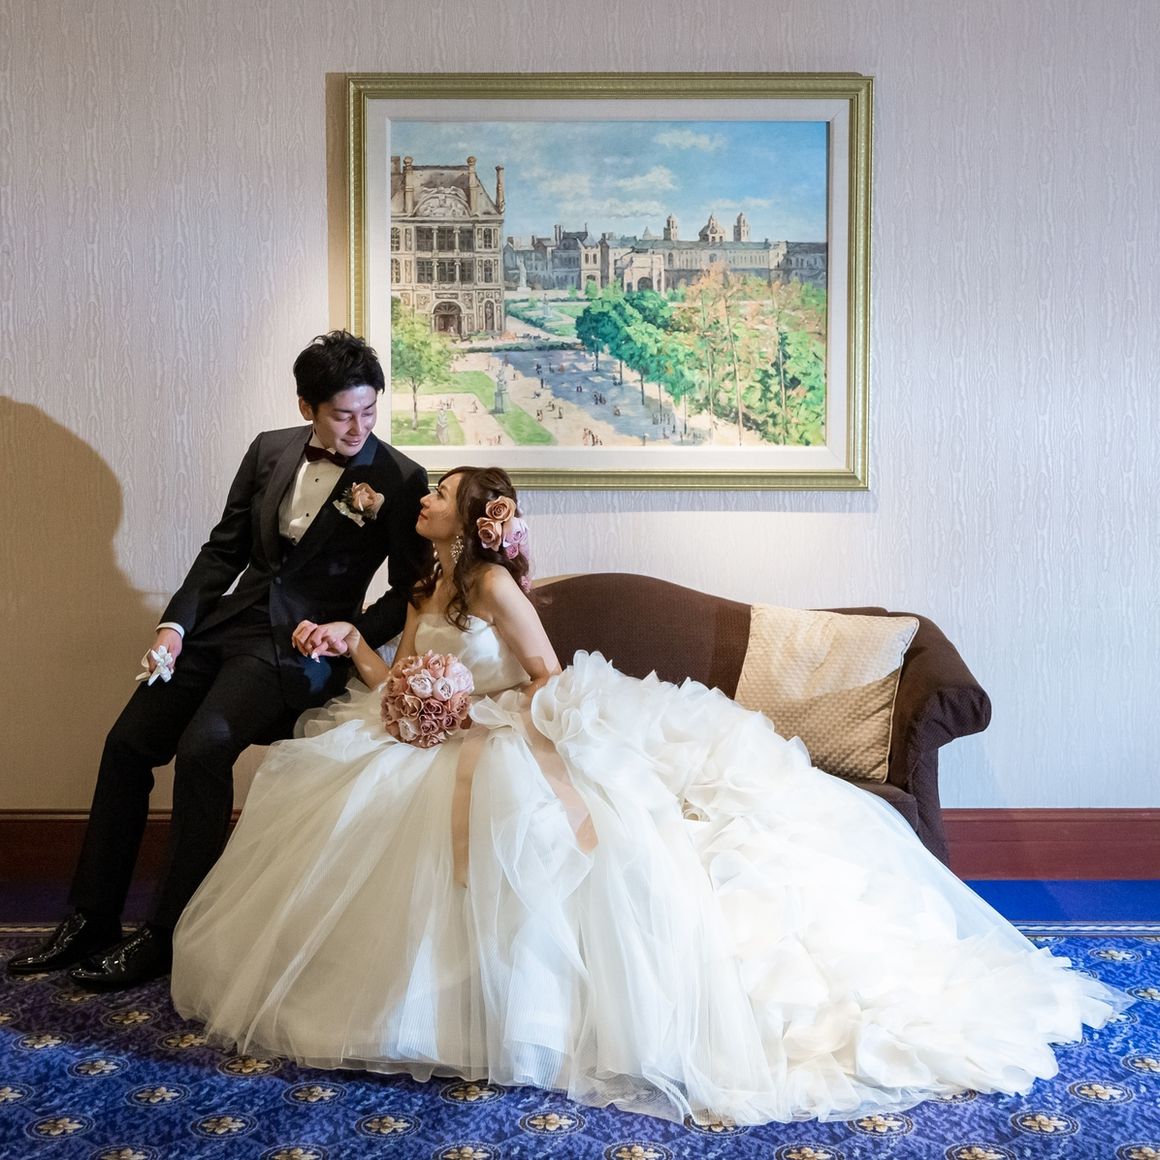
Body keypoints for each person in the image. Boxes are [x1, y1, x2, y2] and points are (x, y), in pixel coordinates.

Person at [170, 467, 1127, 1125]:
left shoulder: (496, 587)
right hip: (431, 740)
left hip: (503, 731)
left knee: (537, 842)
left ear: (474, 517)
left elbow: (543, 679)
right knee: (352, 809)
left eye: (442, 493)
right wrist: (362, 654)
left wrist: (477, 719)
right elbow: (402, 683)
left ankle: (519, 1015)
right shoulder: (425, 583)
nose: (425, 498)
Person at [8, 331, 430, 990]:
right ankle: (92, 918)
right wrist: (175, 626)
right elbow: (224, 550)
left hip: (296, 652)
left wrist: (349, 632)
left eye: (369, 411)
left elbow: (410, 590)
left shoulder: (400, 479)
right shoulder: (269, 449)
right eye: (343, 415)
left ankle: (169, 935)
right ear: (306, 407)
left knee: (203, 749)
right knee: (126, 745)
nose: (359, 428)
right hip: (225, 627)